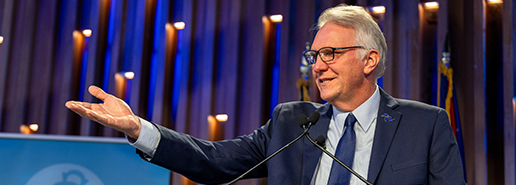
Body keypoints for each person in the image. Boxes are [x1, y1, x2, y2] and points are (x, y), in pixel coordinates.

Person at [66, 4, 465, 185]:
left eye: (330, 54)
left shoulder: (424, 124)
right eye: (314, 55)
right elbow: (215, 163)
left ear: (369, 60)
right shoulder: (293, 121)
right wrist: (139, 128)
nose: (318, 65)